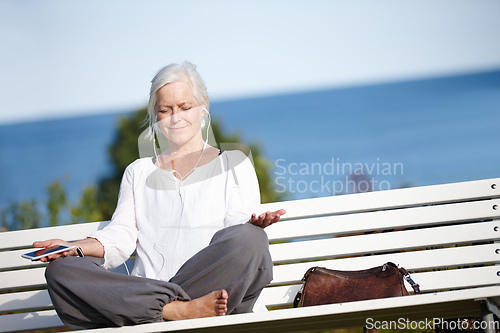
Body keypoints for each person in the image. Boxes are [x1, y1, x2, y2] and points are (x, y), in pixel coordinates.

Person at [33, 61, 286, 329]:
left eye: (185, 107)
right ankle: (176, 310)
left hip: (212, 292)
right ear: (156, 116)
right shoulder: (138, 172)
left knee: (251, 239)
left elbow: (236, 230)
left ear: (203, 108)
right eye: (165, 110)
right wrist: (75, 248)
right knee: (61, 271)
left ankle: (164, 308)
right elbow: (120, 236)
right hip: (156, 289)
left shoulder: (234, 162)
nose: (176, 117)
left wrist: (253, 225)